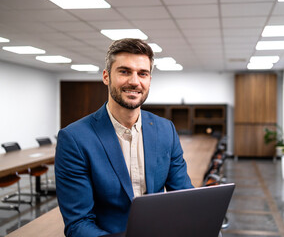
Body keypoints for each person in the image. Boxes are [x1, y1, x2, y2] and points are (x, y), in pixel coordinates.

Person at [55, 38, 193, 237]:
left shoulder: (166, 130)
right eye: (124, 71)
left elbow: (184, 198)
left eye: (142, 73)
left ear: (149, 80)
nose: (134, 81)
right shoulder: (75, 139)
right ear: (106, 76)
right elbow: (78, 223)